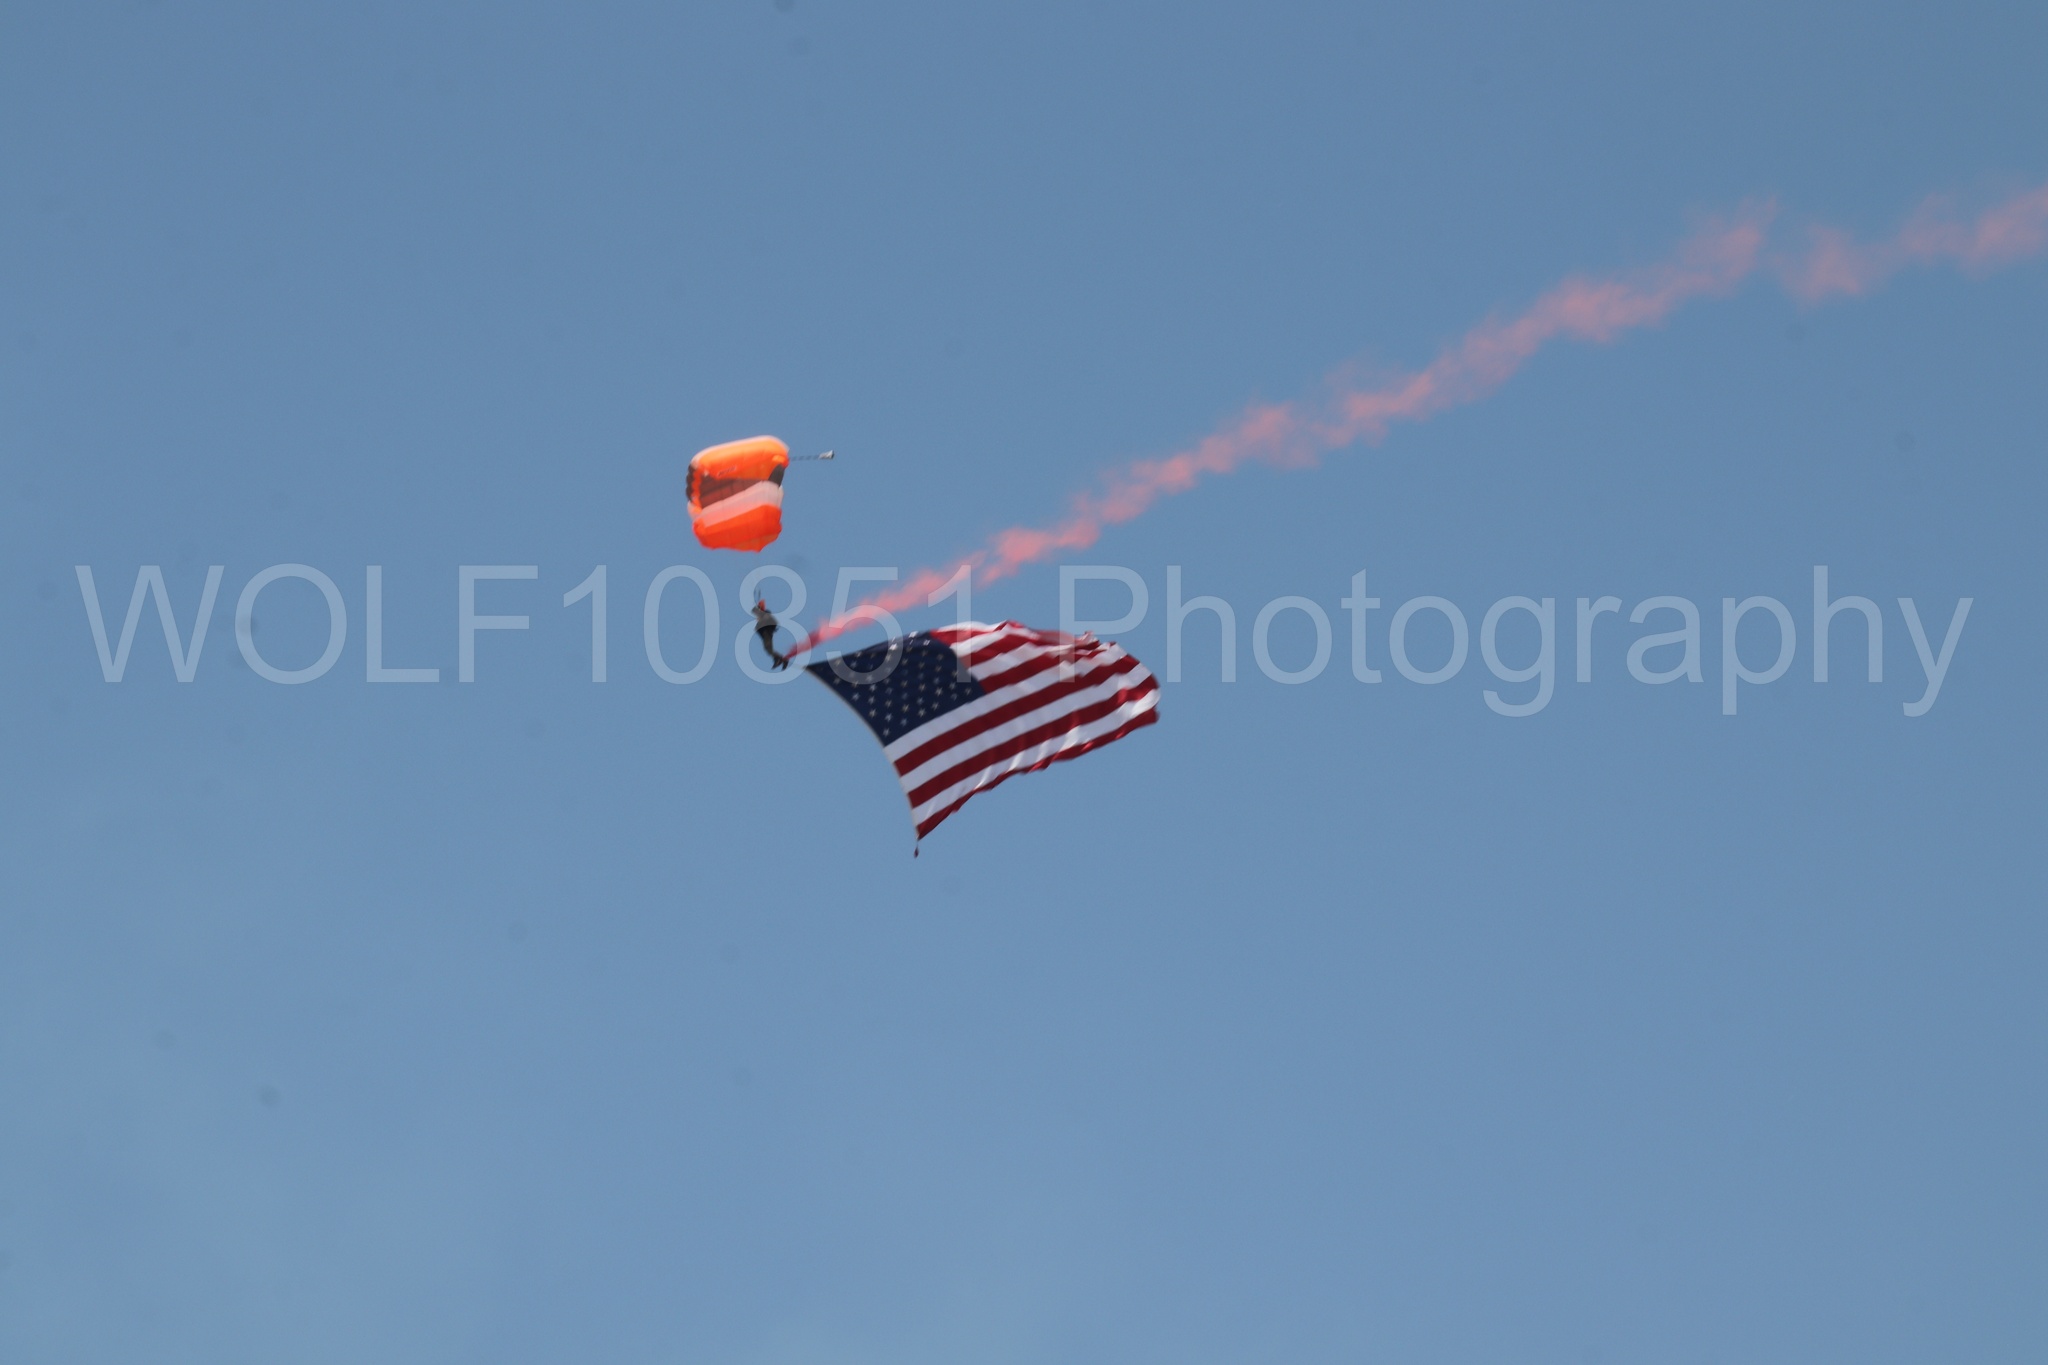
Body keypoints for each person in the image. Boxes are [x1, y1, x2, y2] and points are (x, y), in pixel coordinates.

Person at [752, 599, 789, 670]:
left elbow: (757, 611)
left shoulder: (765, 614)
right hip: (766, 634)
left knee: (768, 649)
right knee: (768, 649)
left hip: (767, 634)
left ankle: (781, 659)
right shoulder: (762, 619)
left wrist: (757, 608)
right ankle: (780, 659)